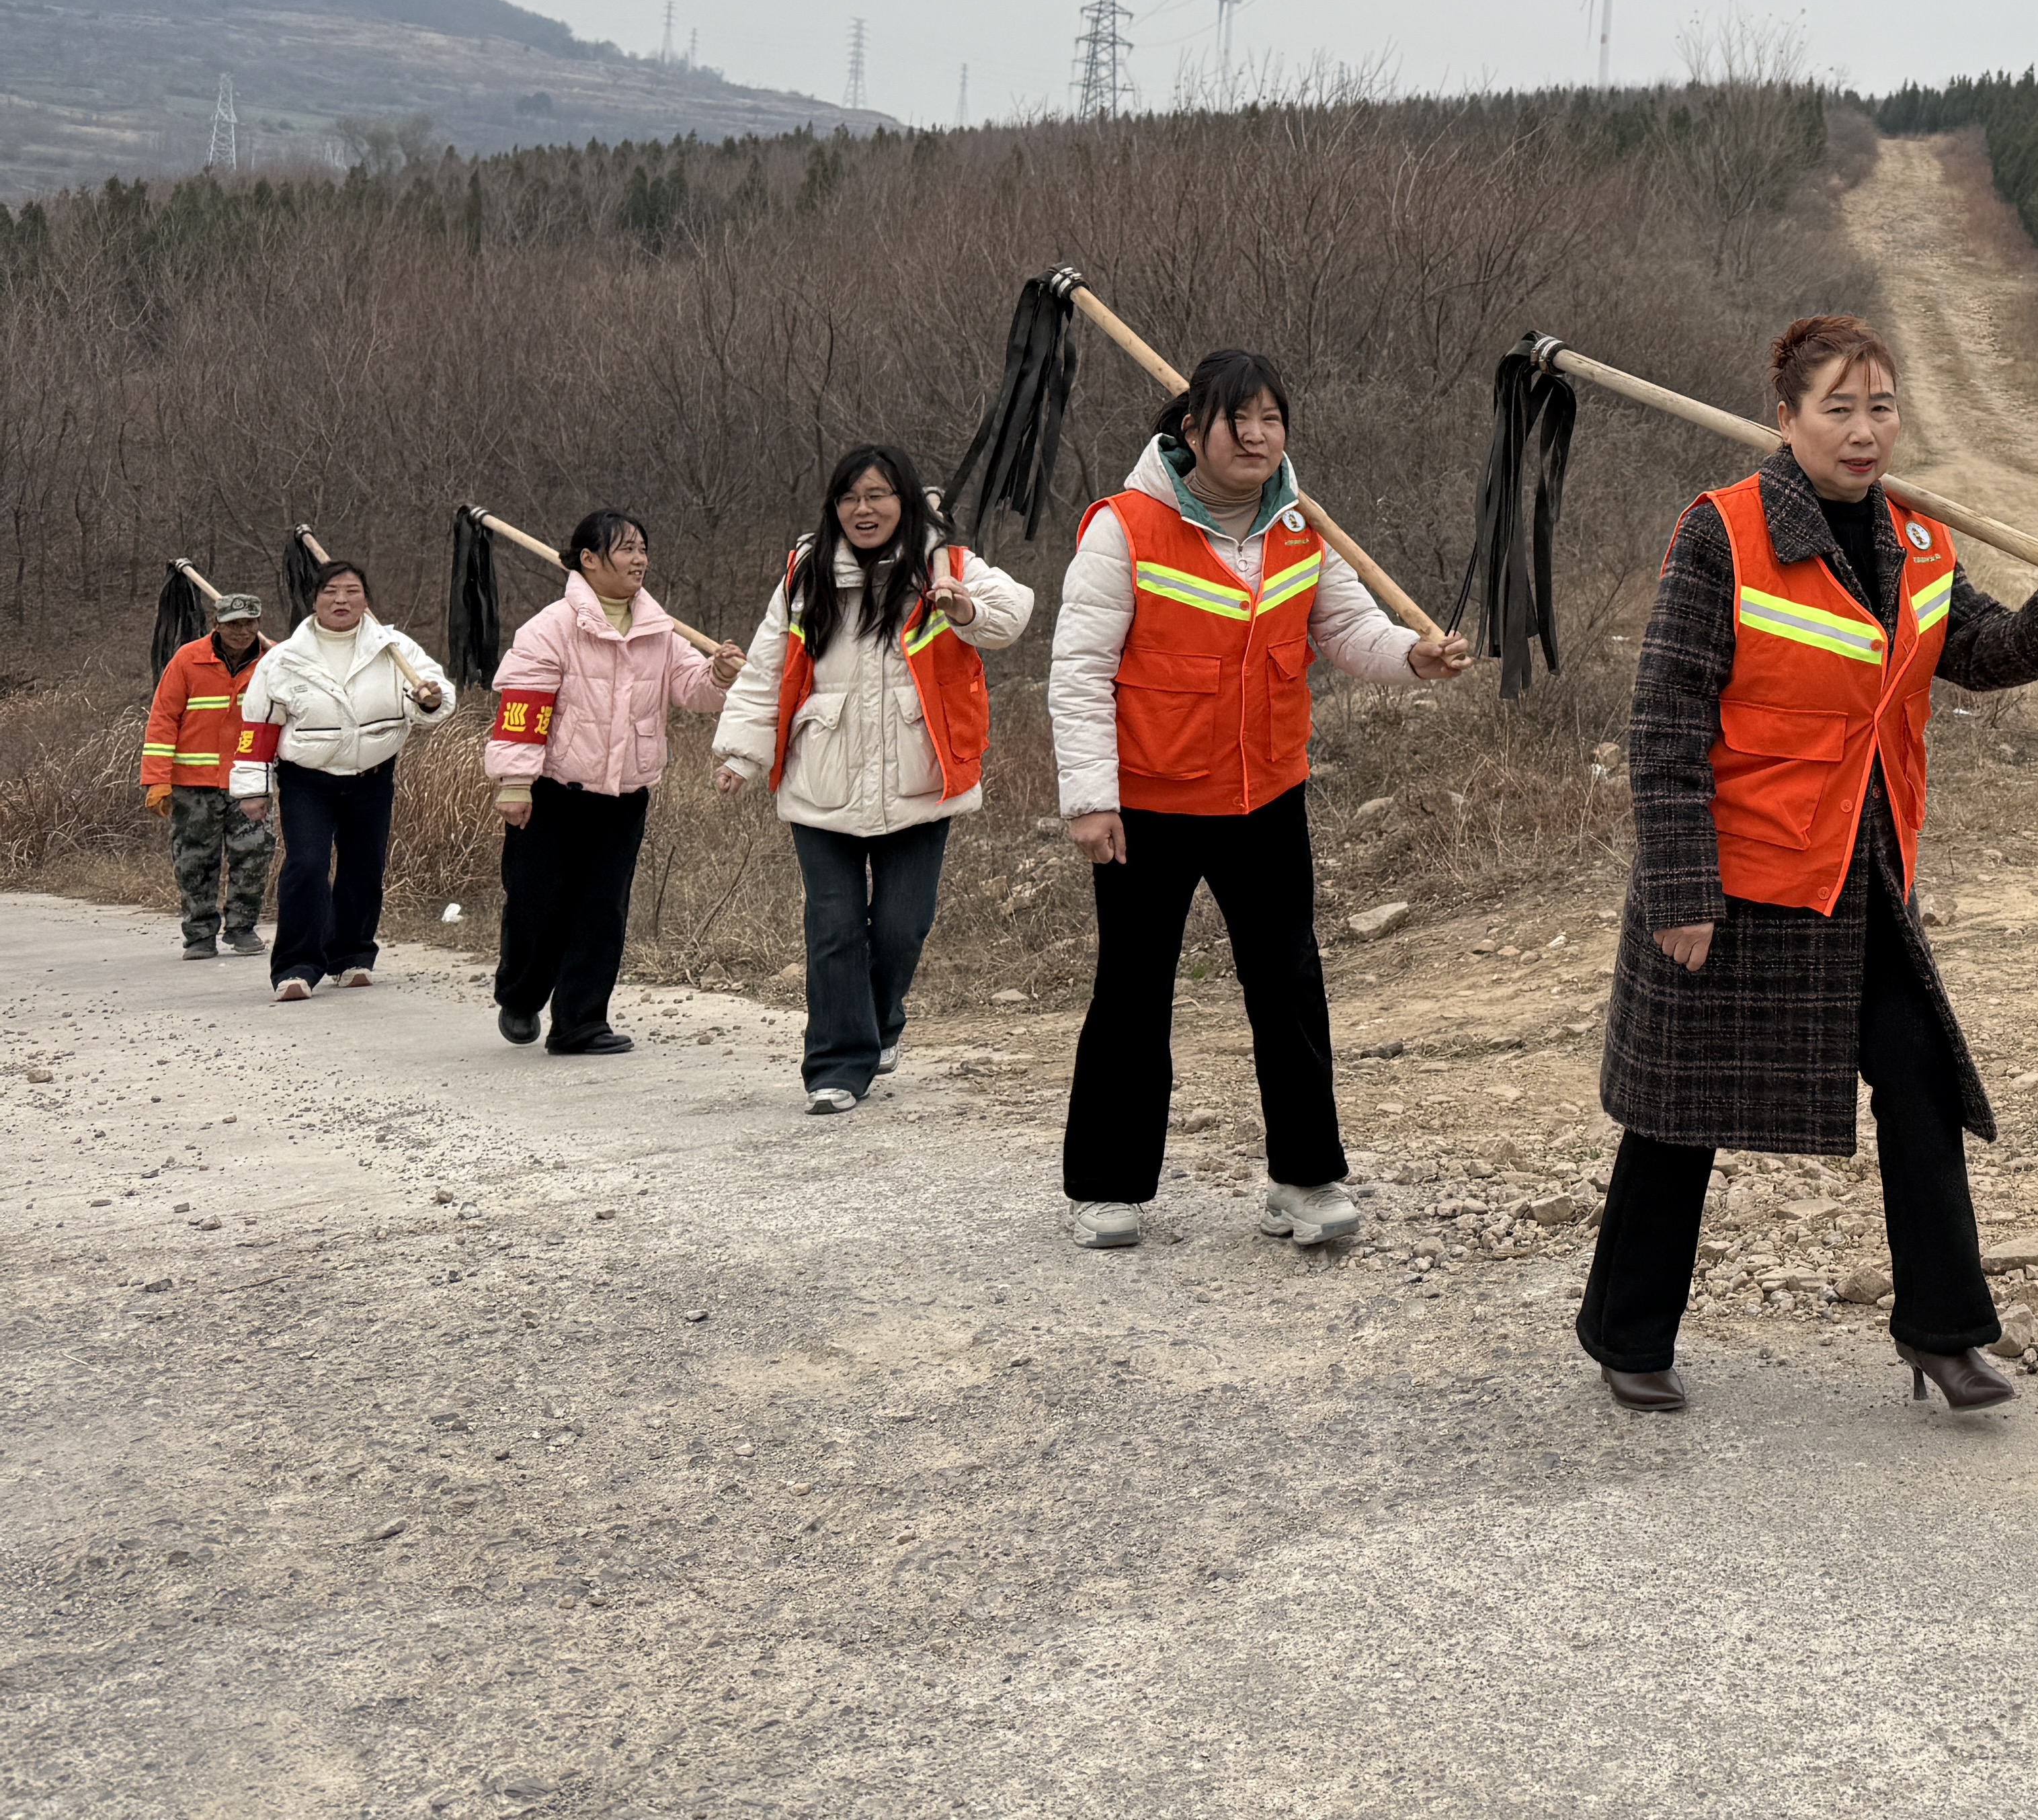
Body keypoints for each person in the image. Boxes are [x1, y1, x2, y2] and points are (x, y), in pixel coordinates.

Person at [1576, 314, 2038, 1418]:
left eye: (1880, 405)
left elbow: (1967, 651)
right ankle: (1628, 1331)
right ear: (1786, 417)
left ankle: (1945, 1331)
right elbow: (1666, 718)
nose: (1865, 429)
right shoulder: (1721, 534)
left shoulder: (1918, 541)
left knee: (1916, 1077)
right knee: (1680, 1106)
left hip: (1856, 873)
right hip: (1734, 875)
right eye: (1839, 406)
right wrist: (1679, 888)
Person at [1049, 347, 1472, 1251]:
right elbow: (1079, 672)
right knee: (1132, 989)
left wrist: (1413, 656)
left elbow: (1350, 630)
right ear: (1188, 431)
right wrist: (1090, 800)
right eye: (1235, 419)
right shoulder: (1124, 529)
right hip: (1151, 803)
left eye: (1270, 419)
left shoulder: (1300, 526)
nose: (1255, 435)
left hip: (1265, 797)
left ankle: (1306, 1179)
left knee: (1289, 985)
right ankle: (1106, 1185)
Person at [711, 446, 1036, 1114]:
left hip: (919, 776)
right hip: (819, 777)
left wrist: (964, 607)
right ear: (834, 508)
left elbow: (1014, 616)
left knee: (900, 925)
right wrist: (739, 755)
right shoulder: (804, 575)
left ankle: (880, 1020)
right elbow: (767, 669)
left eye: (880, 495)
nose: (864, 510)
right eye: (850, 498)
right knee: (833, 924)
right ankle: (836, 1063)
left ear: (907, 500)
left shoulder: (945, 563)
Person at [482, 508, 743, 1054]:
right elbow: (522, 708)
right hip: (553, 791)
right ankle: (522, 994)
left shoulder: (659, 629)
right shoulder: (551, 628)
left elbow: (691, 689)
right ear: (589, 560)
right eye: (626, 549)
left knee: (603, 909)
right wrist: (514, 782)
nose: (640, 559)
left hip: (625, 795)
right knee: (537, 902)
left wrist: (717, 674)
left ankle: (580, 1023)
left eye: (643, 548)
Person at [234, 561, 455, 999]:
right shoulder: (285, 659)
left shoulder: (394, 649)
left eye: (352, 592)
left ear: (366, 599)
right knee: (308, 865)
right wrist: (252, 788)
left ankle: (351, 955)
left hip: (372, 778)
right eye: (331, 592)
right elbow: (259, 726)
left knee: (364, 866)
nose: (341, 601)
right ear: (314, 599)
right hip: (307, 780)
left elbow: (435, 696)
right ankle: (296, 966)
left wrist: (430, 700)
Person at [142, 589, 277, 959]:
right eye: (232, 624)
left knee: (254, 855)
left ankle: (242, 928)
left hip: (250, 780)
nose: (240, 631)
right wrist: (157, 778)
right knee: (194, 861)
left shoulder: (274, 661)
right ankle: (200, 935)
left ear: (258, 624)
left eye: (249, 623)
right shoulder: (188, 660)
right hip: (193, 784)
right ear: (215, 624)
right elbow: (163, 720)